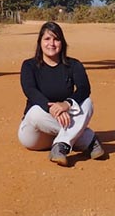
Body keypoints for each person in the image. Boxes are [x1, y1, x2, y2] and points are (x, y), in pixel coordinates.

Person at [18, 21, 106, 165]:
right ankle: (87, 139)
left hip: (60, 127)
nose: (51, 43)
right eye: (47, 39)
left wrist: (67, 104)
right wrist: (52, 109)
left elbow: (84, 88)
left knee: (87, 102)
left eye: (56, 39)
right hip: (35, 133)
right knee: (34, 112)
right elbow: (30, 90)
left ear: (62, 42)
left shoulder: (74, 65)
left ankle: (61, 145)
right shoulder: (29, 65)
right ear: (39, 42)